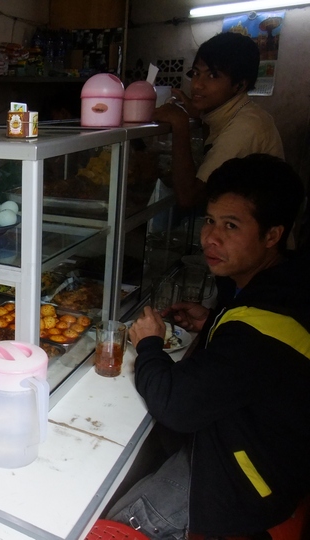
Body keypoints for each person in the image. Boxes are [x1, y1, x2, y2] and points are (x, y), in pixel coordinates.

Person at [106, 154, 310, 539]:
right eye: (210, 220)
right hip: (252, 439)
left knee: (121, 523)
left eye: (231, 225)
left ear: (272, 235)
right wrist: (214, 320)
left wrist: (149, 344)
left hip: (250, 475)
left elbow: (176, 406)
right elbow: (252, 355)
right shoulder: (282, 282)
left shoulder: (266, 323)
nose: (210, 238)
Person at [153, 32, 284, 208]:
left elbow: (189, 198)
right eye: (196, 73)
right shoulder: (234, 113)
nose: (197, 84)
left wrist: (180, 124)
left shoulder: (245, 127)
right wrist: (200, 115)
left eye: (213, 75)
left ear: (239, 85)